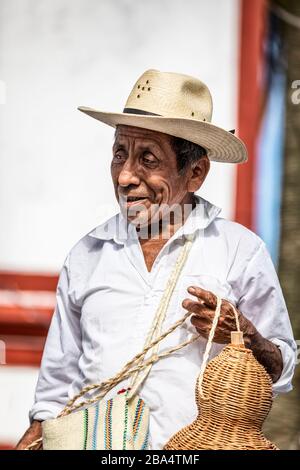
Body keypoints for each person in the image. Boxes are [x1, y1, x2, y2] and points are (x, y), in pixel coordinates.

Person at [16, 69, 296, 450]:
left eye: (147, 158)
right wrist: (37, 431)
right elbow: (56, 386)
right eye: (119, 154)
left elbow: (281, 371)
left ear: (195, 173)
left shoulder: (239, 251)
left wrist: (244, 334)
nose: (125, 176)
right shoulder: (87, 254)